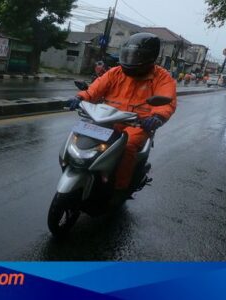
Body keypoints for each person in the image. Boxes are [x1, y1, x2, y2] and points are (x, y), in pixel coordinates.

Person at [66, 32, 177, 205]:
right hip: (106, 119)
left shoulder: (162, 77)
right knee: (80, 133)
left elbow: (166, 101)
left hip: (138, 124)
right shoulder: (115, 72)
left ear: (151, 58)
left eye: (137, 56)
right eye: (129, 55)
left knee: (128, 146)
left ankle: (120, 188)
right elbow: (94, 90)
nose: (131, 60)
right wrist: (80, 98)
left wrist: (157, 117)